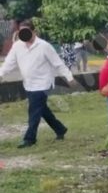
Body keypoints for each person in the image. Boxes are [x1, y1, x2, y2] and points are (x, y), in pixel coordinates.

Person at [0, 20, 76, 148]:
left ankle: (29, 139)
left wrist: (69, 77)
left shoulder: (44, 46)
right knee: (41, 109)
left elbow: (57, 63)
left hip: (43, 84)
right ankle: (60, 129)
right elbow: (9, 63)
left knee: (34, 110)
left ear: (34, 31)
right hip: (29, 84)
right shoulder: (17, 46)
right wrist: (1, 74)